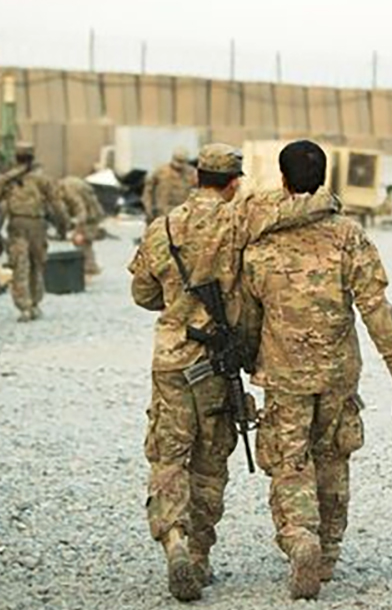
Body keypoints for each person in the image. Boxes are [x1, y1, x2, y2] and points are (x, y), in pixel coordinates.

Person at [128, 143, 336, 602]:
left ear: (196, 176)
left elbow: (143, 293)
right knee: (207, 462)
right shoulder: (239, 218)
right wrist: (327, 201)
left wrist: (176, 301)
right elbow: (288, 212)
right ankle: (199, 558)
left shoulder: (161, 227)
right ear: (234, 180)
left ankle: (175, 540)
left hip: (171, 361)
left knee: (168, 456)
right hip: (217, 361)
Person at [241, 140, 392, 600]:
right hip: (338, 375)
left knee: (290, 460)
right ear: (325, 178)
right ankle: (329, 554)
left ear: (283, 180)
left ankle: (301, 539)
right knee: (334, 458)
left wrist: (245, 362)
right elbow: (375, 305)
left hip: (284, 375)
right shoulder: (348, 237)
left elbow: (248, 316)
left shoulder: (263, 242)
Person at [0, 144, 70, 322]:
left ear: (15, 158)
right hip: (38, 226)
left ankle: (24, 307)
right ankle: (35, 304)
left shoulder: (5, 180)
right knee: (37, 265)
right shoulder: (43, 180)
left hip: (17, 225)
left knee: (20, 266)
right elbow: (58, 206)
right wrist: (63, 227)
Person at [59, 175, 106, 275]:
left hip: (90, 215)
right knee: (85, 242)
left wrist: (78, 230)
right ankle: (89, 266)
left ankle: (89, 268)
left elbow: (81, 209)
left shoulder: (68, 190)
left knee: (82, 240)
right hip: (92, 213)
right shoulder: (67, 184)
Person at [142, 147, 195, 222]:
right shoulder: (160, 171)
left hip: (183, 216)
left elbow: (197, 192)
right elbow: (148, 191)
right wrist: (148, 209)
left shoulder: (191, 173)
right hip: (162, 215)